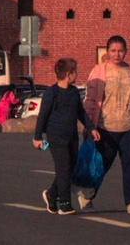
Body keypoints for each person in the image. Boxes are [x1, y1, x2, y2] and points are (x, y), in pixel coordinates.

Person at [86, 36, 130, 215]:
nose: (117, 54)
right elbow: (90, 99)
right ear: (107, 52)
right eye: (113, 50)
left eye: (121, 50)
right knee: (102, 164)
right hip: (105, 127)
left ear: (126, 51)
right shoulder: (99, 71)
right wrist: (89, 125)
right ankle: (87, 194)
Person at [34, 58, 87, 215]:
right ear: (69, 74)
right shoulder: (52, 93)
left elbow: (81, 113)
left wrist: (90, 127)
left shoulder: (74, 92)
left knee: (70, 168)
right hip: (55, 136)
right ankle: (64, 204)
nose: (77, 74)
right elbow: (42, 116)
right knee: (63, 168)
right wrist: (37, 138)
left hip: (71, 135)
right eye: (75, 71)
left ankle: (51, 195)